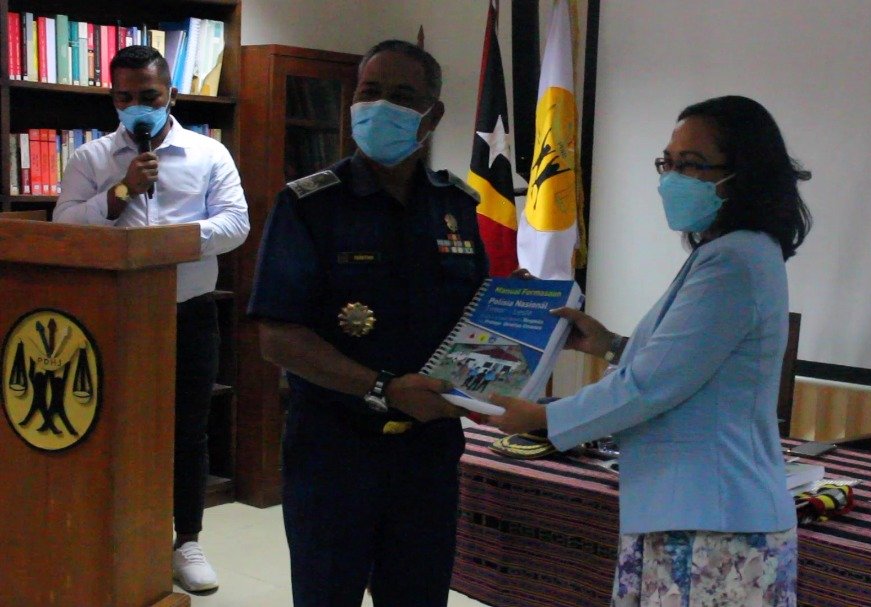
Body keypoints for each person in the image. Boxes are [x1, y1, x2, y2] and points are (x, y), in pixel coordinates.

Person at [488, 95, 810, 606]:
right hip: (690, 512)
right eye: (668, 162)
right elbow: (690, 362)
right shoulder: (729, 252)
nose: (671, 179)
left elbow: (651, 385)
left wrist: (542, 418)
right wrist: (610, 345)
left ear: (743, 175)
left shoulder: (735, 261)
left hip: (715, 521)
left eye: (691, 165)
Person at [246, 39, 486, 606]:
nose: (381, 107)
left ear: (433, 114)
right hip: (334, 451)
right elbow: (277, 338)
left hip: (427, 453)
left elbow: (474, 317)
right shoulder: (309, 204)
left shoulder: (456, 205)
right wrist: (384, 389)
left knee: (419, 597)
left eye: (402, 96)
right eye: (370, 92)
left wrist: (521, 307)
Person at [53, 45, 250, 593]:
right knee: (110, 428)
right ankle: (117, 532)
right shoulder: (91, 158)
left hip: (189, 314)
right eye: (124, 97)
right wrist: (120, 194)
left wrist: (167, 244)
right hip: (111, 318)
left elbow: (236, 225)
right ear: (112, 98)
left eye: (149, 96)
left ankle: (186, 540)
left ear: (172, 96)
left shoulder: (209, 154)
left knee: (188, 429)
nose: (136, 106)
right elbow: (64, 226)